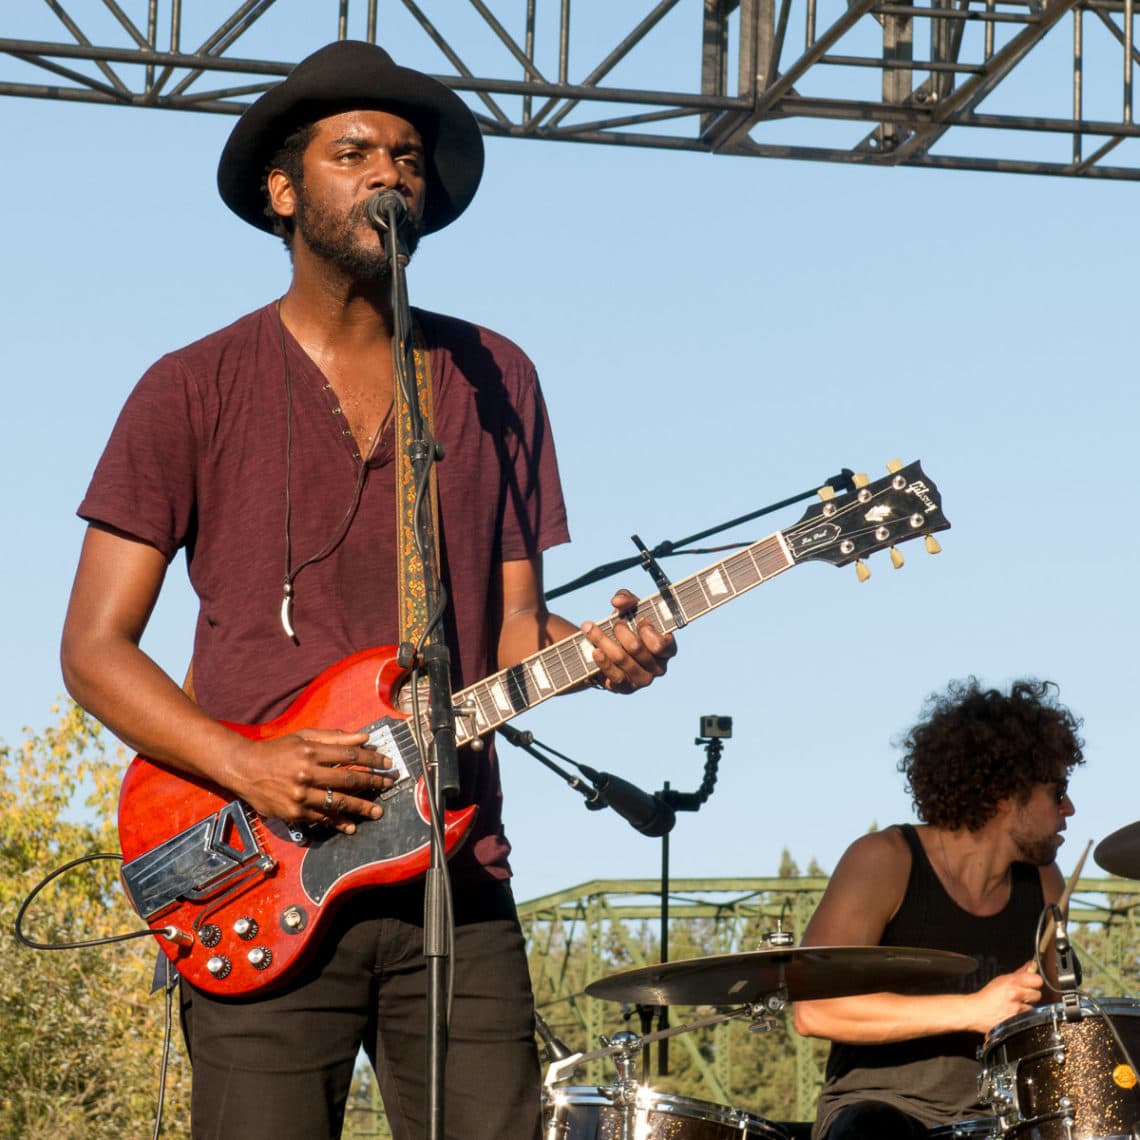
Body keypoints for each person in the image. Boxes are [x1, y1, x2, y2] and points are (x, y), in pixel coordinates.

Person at [59, 40, 676, 1140]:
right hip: (259, 870)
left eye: (406, 156)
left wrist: (609, 657)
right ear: (283, 191)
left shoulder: (495, 377)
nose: (390, 173)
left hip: (458, 876)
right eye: (354, 153)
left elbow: (518, 632)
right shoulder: (190, 387)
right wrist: (246, 760)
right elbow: (94, 648)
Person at [792, 678, 1084, 1140]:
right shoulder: (884, 859)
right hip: (880, 1113)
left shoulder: (1044, 882)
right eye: (1057, 790)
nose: (1069, 807)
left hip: (993, 1121)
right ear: (1006, 794)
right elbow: (814, 1010)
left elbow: (1055, 1025)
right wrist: (972, 1009)